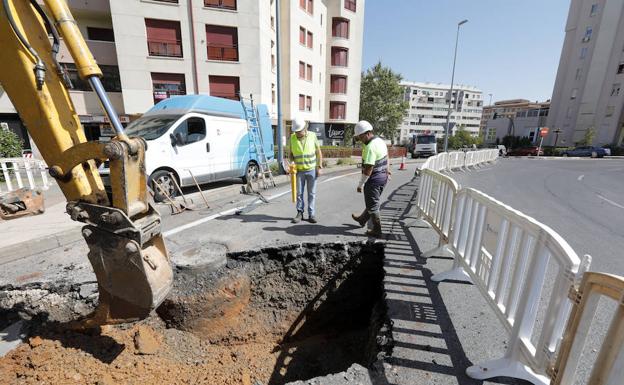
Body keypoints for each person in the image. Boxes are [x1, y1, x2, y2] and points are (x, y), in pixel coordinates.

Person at [351, 120, 389, 237]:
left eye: (361, 137)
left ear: (368, 133)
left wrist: (360, 184)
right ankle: (362, 219)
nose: (360, 140)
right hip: (383, 176)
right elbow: (387, 155)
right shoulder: (379, 141)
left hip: (374, 179)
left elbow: (368, 169)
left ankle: (377, 230)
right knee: (371, 201)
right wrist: (387, 169)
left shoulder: (370, 147)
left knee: (373, 204)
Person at [289, 116, 323, 223]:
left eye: (299, 131)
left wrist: (319, 166)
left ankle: (311, 214)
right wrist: (292, 162)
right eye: (296, 131)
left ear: (305, 128)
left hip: (312, 170)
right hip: (299, 171)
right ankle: (300, 213)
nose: (298, 133)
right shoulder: (292, 138)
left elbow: (318, 153)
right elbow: (290, 155)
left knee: (311, 194)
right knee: (299, 193)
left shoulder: (312, 136)